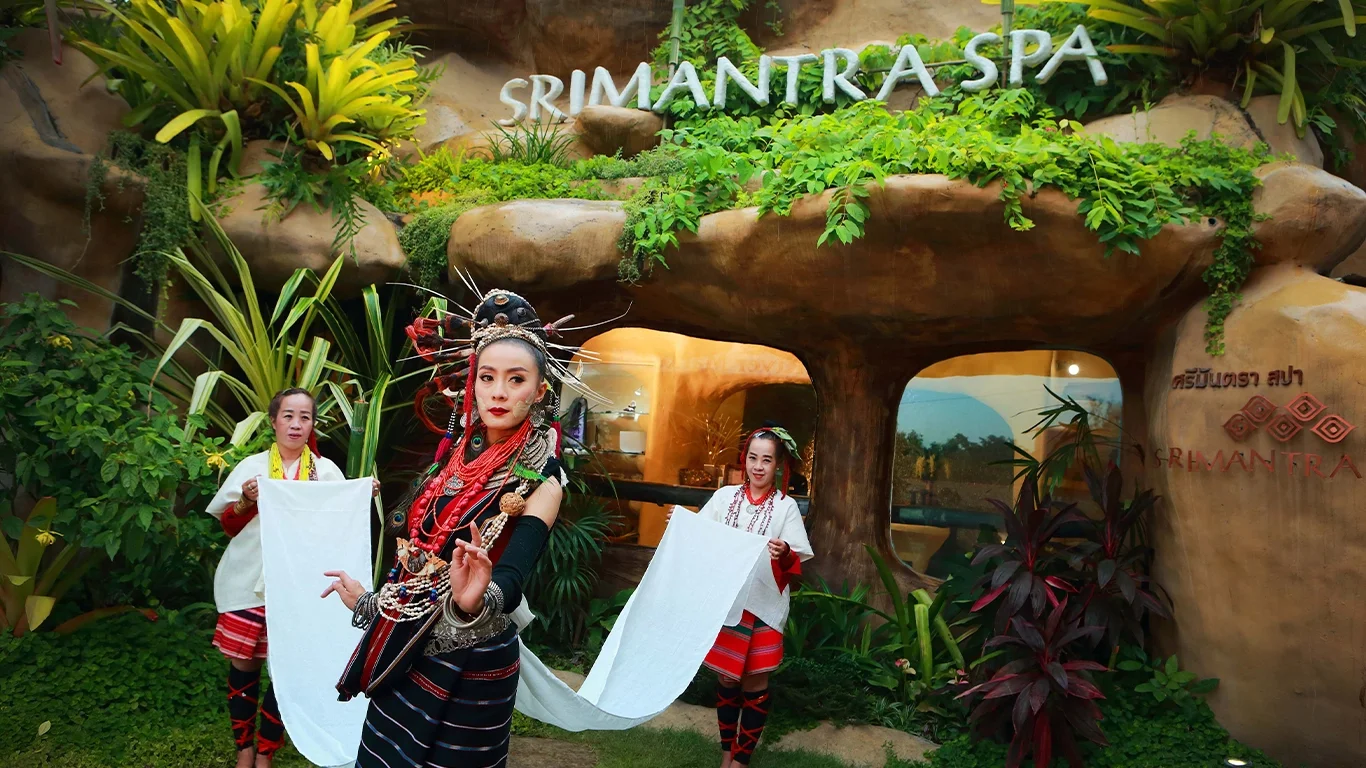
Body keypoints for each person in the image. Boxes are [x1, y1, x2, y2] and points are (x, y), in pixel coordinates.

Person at [321, 289, 588, 768]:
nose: (499, 392)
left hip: (472, 659)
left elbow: (511, 578)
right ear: (472, 385)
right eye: (487, 377)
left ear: (540, 391)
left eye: (516, 379)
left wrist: (476, 599)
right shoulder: (453, 459)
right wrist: (368, 599)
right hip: (407, 648)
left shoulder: (543, 480)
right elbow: (419, 551)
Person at [205, 388, 379, 768]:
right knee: (243, 667)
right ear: (273, 421)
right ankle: (243, 749)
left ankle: (265, 751)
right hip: (248, 583)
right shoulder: (252, 468)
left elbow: (337, 523)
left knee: (291, 669)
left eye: (305, 417)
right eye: (288, 416)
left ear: (313, 424)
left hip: (299, 589)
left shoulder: (326, 471)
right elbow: (228, 527)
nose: (296, 424)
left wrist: (358, 494)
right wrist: (247, 501)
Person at [671, 425, 813, 767]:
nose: (758, 466)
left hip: (764, 605)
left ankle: (741, 760)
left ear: (778, 465)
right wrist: (681, 524)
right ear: (744, 460)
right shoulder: (724, 497)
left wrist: (783, 552)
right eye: (753, 458)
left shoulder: (786, 507)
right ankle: (725, 754)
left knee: (755, 680)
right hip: (728, 602)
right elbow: (703, 535)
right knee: (726, 677)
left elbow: (797, 556)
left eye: (767, 460)